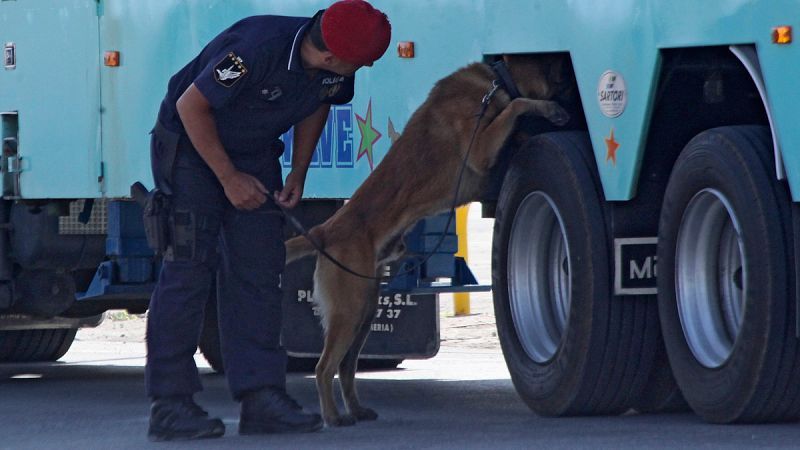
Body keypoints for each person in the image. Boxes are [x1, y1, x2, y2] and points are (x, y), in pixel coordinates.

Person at [144, 0, 391, 441]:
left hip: (254, 155)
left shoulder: (332, 66)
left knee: (260, 273)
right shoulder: (254, 49)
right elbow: (191, 105)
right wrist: (228, 178)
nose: (361, 69)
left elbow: (320, 99)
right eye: (360, 64)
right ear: (332, 54)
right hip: (191, 153)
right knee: (188, 271)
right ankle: (171, 405)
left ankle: (262, 399)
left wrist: (299, 170)